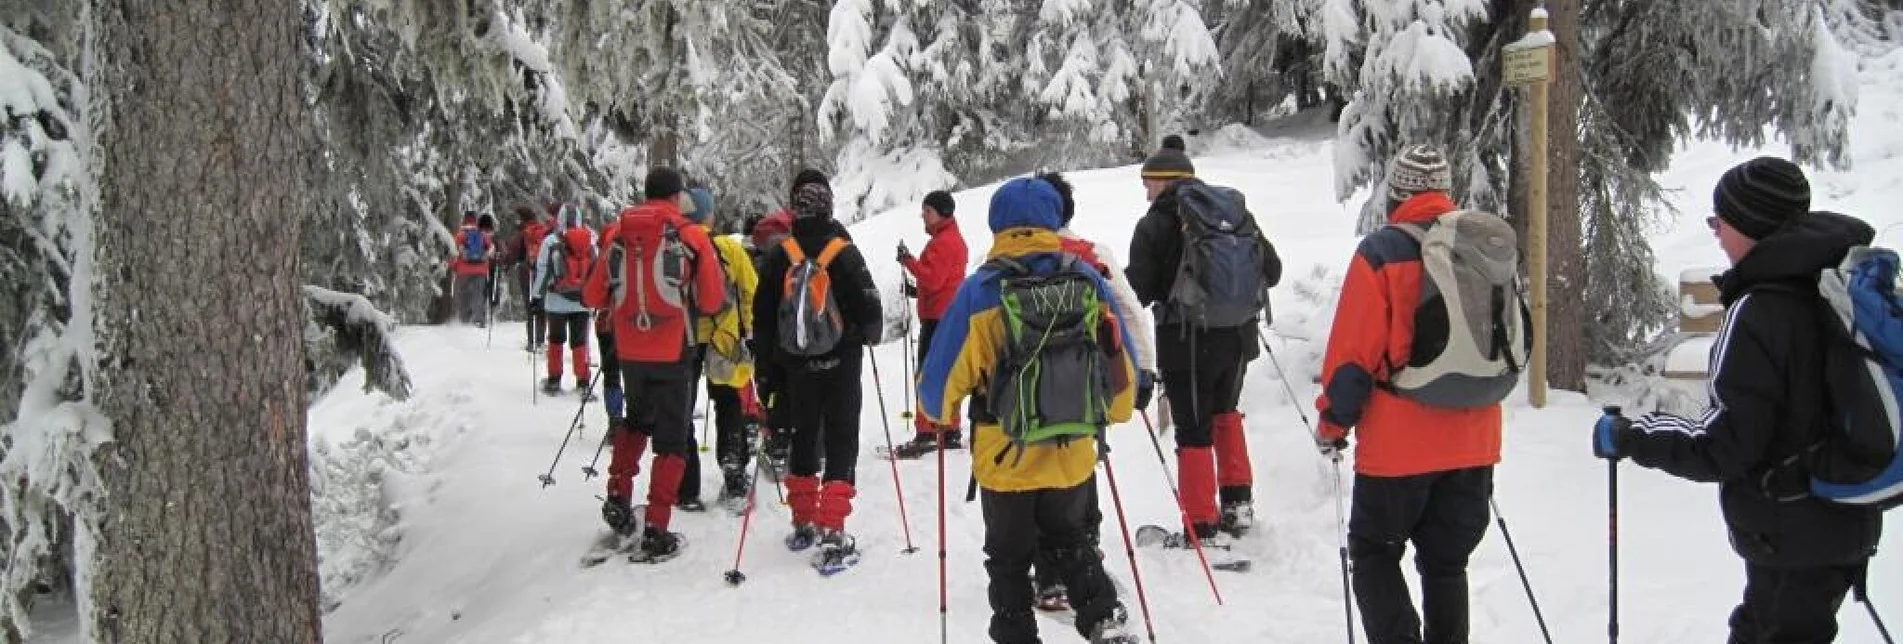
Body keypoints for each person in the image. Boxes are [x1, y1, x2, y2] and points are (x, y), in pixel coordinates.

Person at [1593, 157, 1883, 643]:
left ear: (1750, 225)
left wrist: (1632, 438)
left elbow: (1725, 444)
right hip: (1841, 520)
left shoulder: (1761, 310)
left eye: (1719, 221)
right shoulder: (1830, 288)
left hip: (1790, 531)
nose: (1716, 234)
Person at [916, 177, 1140, 644]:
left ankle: (1017, 634)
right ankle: (1104, 619)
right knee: (1072, 541)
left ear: (997, 223)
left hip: (1005, 457)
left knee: (1009, 560)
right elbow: (1122, 378)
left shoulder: (980, 291)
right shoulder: (1087, 280)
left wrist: (940, 414)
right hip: (1072, 451)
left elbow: (936, 394)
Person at [1312, 144, 1505, 644]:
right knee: (1446, 562)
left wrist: (1333, 425)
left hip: (1399, 448)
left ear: (1396, 194)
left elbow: (1353, 358)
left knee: (1374, 553)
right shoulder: (1484, 247)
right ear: (1446, 192)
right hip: (1475, 439)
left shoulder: (1382, 253)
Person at [1124, 135, 1281, 542]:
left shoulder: (1157, 223)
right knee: (1226, 415)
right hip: (1238, 337)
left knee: (1192, 429)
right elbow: (1274, 270)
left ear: (1165, 181)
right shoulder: (1232, 212)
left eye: (1148, 182)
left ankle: (1200, 524)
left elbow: (1136, 290)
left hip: (1186, 341)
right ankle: (1237, 505)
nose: (1145, 192)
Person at [1026, 171, 1158, 610]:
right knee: (1085, 459)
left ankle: (1048, 574)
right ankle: (1086, 547)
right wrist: (1143, 371)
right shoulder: (1092, 255)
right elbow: (1129, 312)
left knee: (1038, 471)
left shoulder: (1015, 259)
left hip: (1028, 389)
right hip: (1088, 385)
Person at [582, 167, 728, 562]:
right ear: (677, 195)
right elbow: (713, 301)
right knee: (672, 437)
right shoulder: (691, 235)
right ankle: (658, 527)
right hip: (674, 347)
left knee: (635, 421)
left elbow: (593, 295)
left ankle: (617, 496)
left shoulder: (617, 233)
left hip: (630, 349)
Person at [752, 177, 883, 571]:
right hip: (841, 364)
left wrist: (766, 374)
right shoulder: (843, 252)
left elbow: (762, 319)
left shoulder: (780, 254)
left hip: (794, 367)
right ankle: (833, 528)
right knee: (841, 437)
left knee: (803, 437)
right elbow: (871, 315)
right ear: (828, 208)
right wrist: (863, 335)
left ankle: (803, 521)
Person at [676, 186, 762, 512]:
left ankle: (686, 488)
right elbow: (751, 291)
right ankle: (734, 473)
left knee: (683, 409)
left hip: (681, 339)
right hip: (722, 339)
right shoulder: (729, 247)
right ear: (708, 214)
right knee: (728, 404)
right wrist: (751, 332)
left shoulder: (673, 247)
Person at [890, 188, 971, 458]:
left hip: (938, 318)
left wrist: (908, 261)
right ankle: (949, 429)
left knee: (927, 373)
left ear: (942, 214)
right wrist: (917, 290)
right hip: (947, 314)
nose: (923, 216)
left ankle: (927, 432)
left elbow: (933, 279)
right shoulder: (950, 239)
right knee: (947, 372)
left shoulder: (943, 242)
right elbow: (942, 281)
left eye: (928, 211)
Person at [532, 203, 596, 397]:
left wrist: (536, 297)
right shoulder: (589, 241)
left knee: (556, 340)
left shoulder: (551, 241)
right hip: (582, 302)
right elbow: (595, 271)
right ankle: (583, 382)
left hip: (556, 301)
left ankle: (554, 380)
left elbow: (543, 271)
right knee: (580, 342)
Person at [501, 203, 553, 351]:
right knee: (541, 305)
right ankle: (541, 340)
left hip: (527, 272)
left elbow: (512, 254)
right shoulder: (543, 231)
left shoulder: (522, 233)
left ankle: (532, 341)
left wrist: (504, 263)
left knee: (530, 306)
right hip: (543, 273)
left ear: (521, 219)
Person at [450, 210, 495, 326]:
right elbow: (491, 249)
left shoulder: (460, 235)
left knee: (464, 295)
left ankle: (464, 320)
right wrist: (485, 258)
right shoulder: (482, 234)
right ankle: (478, 320)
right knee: (478, 295)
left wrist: (454, 267)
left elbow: (454, 253)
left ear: (464, 220)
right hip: (480, 271)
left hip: (463, 271)